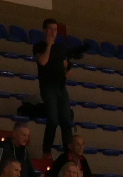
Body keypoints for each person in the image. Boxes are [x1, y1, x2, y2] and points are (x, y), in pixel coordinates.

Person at [33, 19, 83, 153]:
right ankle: (46, 150)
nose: (53, 32)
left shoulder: (61, 48)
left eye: (55, 29)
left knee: (66, 121)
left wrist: (68, 70)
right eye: (50, 29)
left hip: (61, 87)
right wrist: (49, 46)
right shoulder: (38, 46)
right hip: (48, 87)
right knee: (53, 120)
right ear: (45, 30)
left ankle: (68, 152)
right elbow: (43, 61)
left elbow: (66, 67)